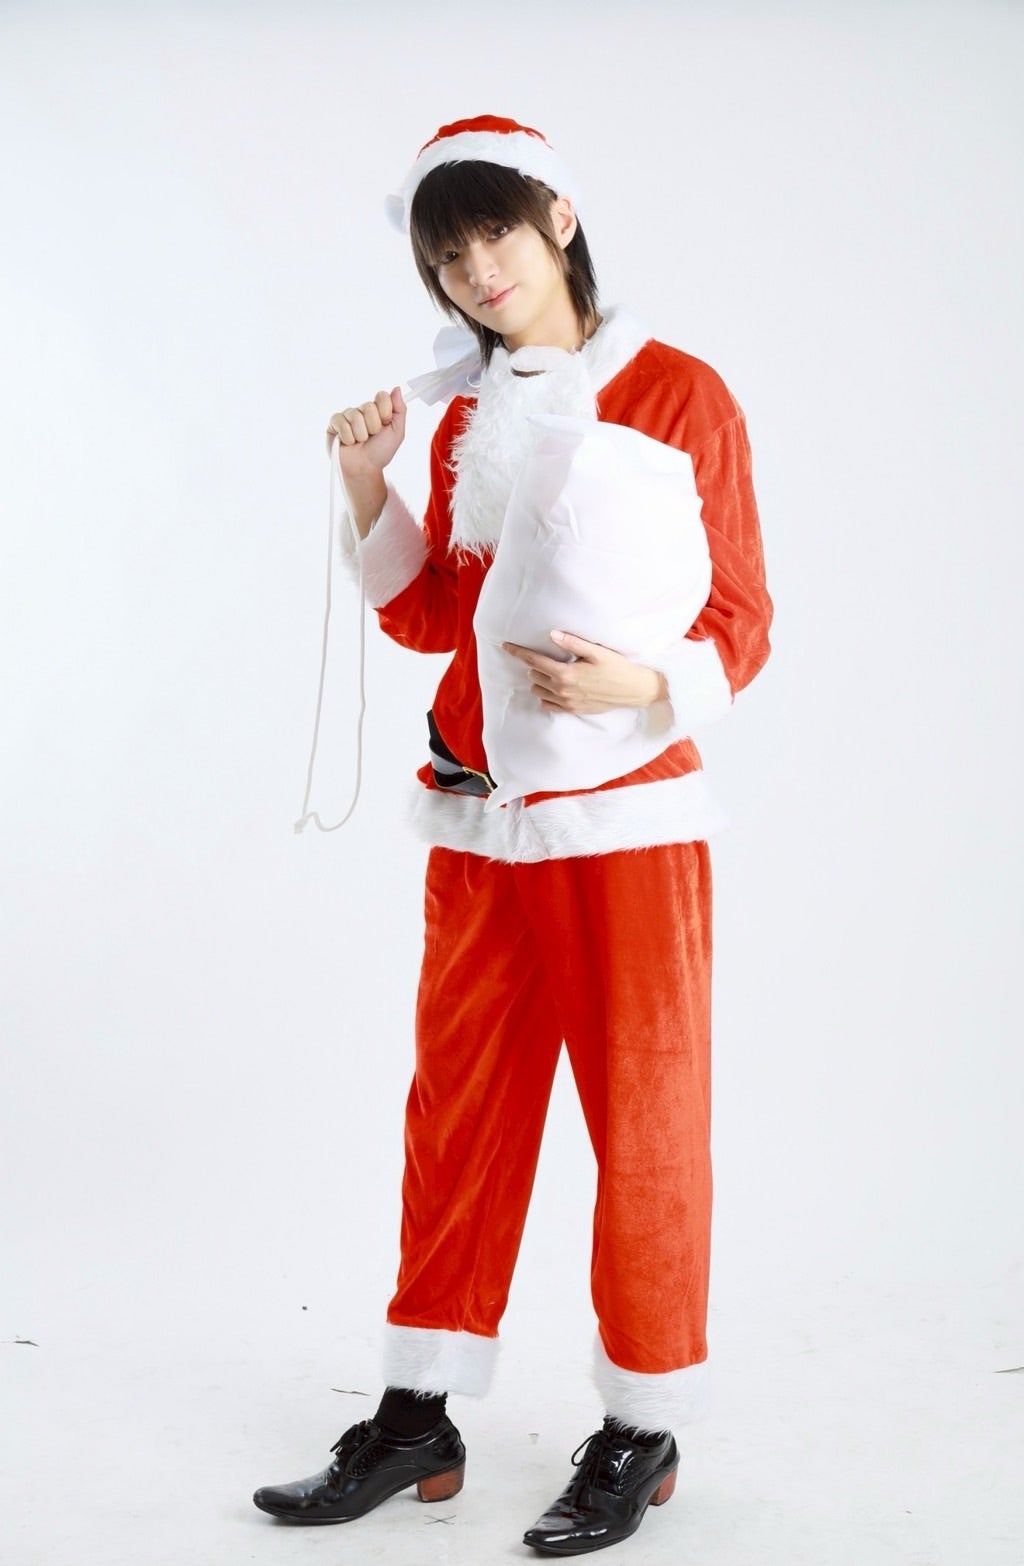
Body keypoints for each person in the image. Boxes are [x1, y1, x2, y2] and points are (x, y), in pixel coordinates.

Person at [253, 114, 772, 1555]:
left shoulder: (678, 391)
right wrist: (370, 485)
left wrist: (645, 686)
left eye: (492, 233)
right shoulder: (464, 413)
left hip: (629, 829)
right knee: (458, 1115)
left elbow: (742, 617)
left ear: (556, 217)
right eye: (446, 256)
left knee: (645, 1122)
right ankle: (417, 1413)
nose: (476, 270)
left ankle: (642, 1426)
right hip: (480, 822)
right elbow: (435, 615)